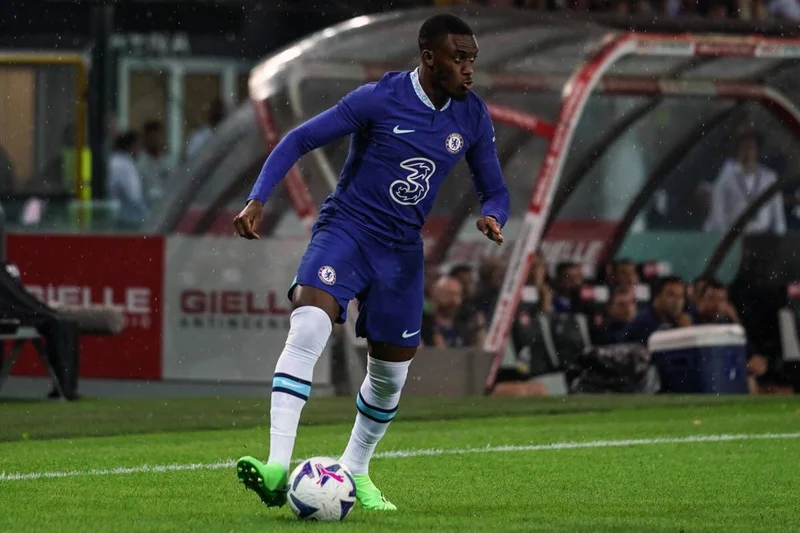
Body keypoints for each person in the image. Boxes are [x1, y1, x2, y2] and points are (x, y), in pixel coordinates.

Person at [232, 13, 509, 512]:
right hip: (347, 231)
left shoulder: (472, 115)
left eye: (472, 59)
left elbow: (495, 189)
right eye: (459, 58)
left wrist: (493, 215)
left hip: (401, 252)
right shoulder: (378, 99)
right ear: (429, 58)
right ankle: (276, 466)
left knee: (389, 377)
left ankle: (356, 469)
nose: (469, 69)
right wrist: (258, 198)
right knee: (308, 324)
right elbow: (298, 139)